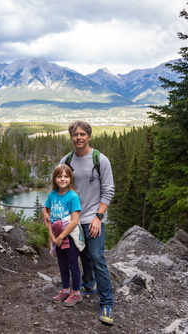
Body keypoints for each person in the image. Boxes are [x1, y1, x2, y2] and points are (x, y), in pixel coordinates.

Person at [61, 121, 115, 325]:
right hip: (73, 219)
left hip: (93, 218)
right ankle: (89, 284)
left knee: (97, 258)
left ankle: (107, 304)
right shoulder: (66, 161)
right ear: (71, 137)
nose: (79, 138)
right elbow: (61, 190)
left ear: (89, 136)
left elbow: (108, 190)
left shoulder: (100, 160)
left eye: (83, 134)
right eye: (75, 135)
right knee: (83, 255)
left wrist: (98, 218)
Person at [42, 164, 84, 307]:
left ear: (70, 178)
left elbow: (75, 221)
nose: (62, 179)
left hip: (69, 236)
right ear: (55, 179)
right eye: (59, 176)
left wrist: (60, 237)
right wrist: (51, 233)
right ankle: (65, 290)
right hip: (57, 233)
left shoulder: (73, 196)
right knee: (62, 264)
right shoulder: (52, 195)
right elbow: (45, 211)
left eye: (66, 176)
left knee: (72, 264)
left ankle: (76, 293)